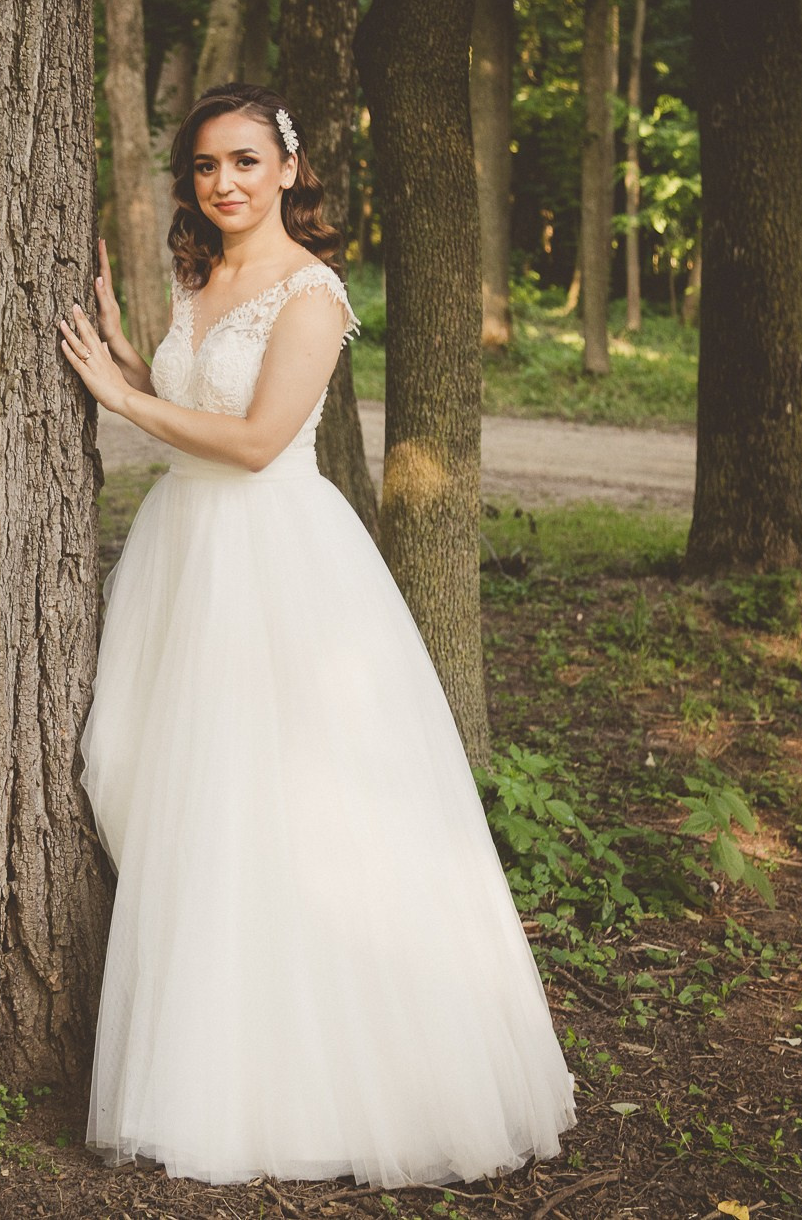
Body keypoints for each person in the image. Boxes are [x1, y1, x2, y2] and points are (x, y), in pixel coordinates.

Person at [59, 81, 578, 1185]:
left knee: (278, 806)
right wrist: (123, 346)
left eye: (245, 162)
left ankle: (305, 1082)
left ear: (288, 169)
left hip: (270, 559)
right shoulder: (201, 277)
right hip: (182, 554)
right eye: (205, 167)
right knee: (182, 797)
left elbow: (252, 442)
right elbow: (185, 393)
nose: (223, 184)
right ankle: (209, 1041)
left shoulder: (310, 293)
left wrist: (119, 398)